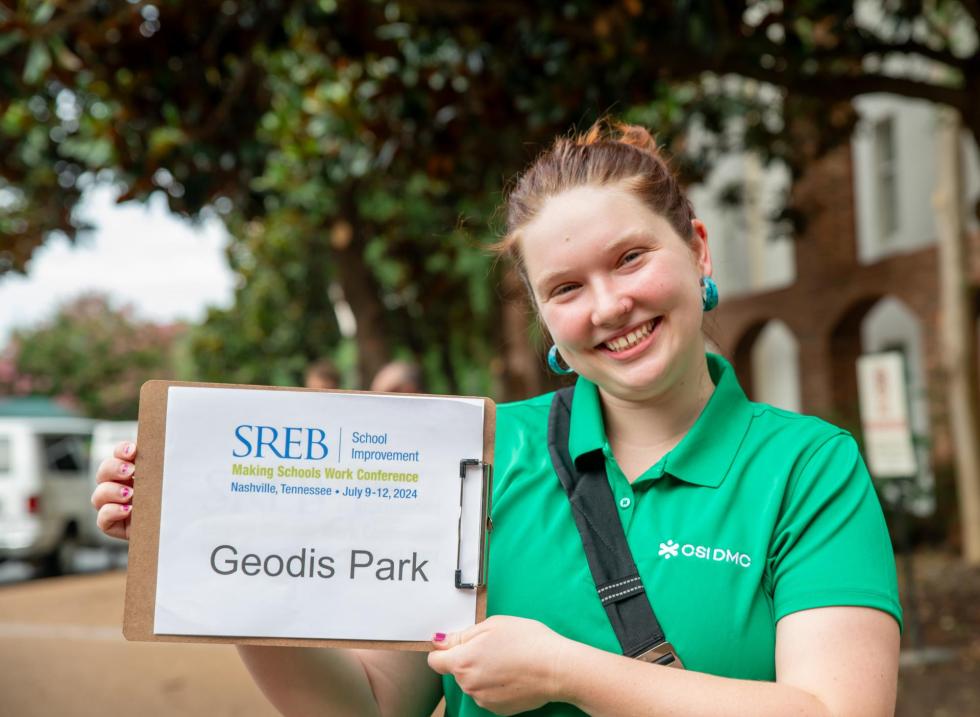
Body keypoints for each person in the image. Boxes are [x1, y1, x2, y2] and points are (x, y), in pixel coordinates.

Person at [92, 121, 901, 716]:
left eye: (630, 258)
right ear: (543, 316)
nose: (609, 305)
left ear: (697, 249)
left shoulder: (810, 467)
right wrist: (215, 564)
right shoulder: (471, 456)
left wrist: (568, 672)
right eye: (566, 287)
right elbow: (369, 705)